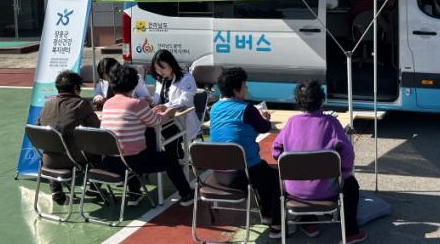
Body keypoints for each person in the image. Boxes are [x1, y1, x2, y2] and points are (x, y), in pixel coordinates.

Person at [272, 80, 368, 244]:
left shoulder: (291, 122)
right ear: (322, 100)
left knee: (281, 177)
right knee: (351, 185)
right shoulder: (332, 123)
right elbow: (348, 155)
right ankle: (350, 233)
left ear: (298, 101)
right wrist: (343, 174)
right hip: (326, 191)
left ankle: (298, 224)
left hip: (294, 191)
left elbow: (276, 152)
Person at [209, 67, 287, 239]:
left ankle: (266, 214)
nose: (247, 88)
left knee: (262, 169)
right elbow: (264, 127)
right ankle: (275, 224)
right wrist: (265, 118)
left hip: (219, 174)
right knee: (275, 177)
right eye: (244, 85)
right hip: (243, 174)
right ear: (236, 90)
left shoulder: (214, 108)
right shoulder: (247, 109)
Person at [100, 66, 194, 206]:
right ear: (133, 84)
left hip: (110, 161)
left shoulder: (107, 103)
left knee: (129, 146)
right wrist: (169, 113)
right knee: (170, 159)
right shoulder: (136, 104)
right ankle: (186, 194)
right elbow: (157, 121)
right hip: (133, 162)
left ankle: (134, 193)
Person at [37, 70, 100, 205]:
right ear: (76, 88)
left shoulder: (47, 104)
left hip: (47, 160)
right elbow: (96, 129)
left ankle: (56, 190)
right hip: (72, 160)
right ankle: (94, 188)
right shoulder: (81, 104)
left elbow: (38, 128)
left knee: (54, 145)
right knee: (99, 150)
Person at [150, 49, 201, 149]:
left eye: (162, 68)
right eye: (157, 69)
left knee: (167, 135)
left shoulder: (186, 78)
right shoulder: (161, 79)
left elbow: (186, 101)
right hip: (165, 119)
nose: (160, 72)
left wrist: (166, 106)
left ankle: (175, 155)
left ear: (171, 64)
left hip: (180, 121)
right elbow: (157, 99)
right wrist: (149, 100)